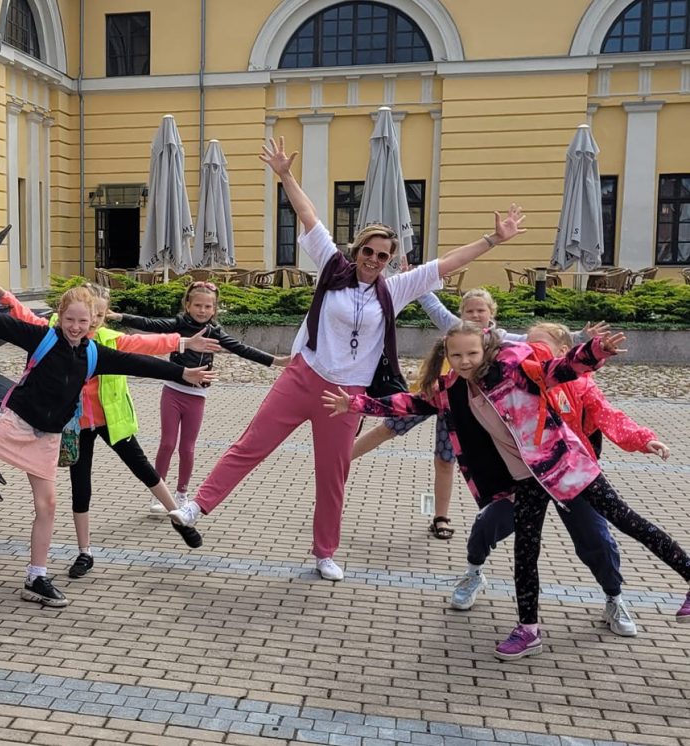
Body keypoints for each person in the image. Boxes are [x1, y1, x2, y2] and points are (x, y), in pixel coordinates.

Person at [170, 136, 524, 582]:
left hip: (345, 396)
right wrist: (285, 175)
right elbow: (309, 216)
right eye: (368, 251)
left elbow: (445, 264)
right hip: (304, 376)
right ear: (356, 251)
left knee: (332, 474)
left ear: (389, 260)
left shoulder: (395, 288)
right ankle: (196, 506)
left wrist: (493, 239)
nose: (374, 259)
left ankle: (325, 552)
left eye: (383, 255)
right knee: (251, 445)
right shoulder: (332, 267)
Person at [323, 322, 690, 660]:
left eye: (472, 353)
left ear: (485, 350)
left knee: (628, 521)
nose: (465, 361)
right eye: (456, 355)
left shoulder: (515, 371)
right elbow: (407, 403)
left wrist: (595, 351)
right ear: (446, 355)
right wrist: (355, 404)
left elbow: (562, 368)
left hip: (567, 466)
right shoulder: (450, 389)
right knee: (525, 552)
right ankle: (528, 630)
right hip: (527, 479)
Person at [0, 287, 217, 607]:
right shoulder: (42, 338)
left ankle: (36, 577)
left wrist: (183, 372)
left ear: (93, 321)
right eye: (70, 319)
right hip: (16, 421)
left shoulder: (94, 353)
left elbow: (138, 363)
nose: (75, 327)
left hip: (48, 437)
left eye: (83, 321)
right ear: (60, 316)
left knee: (47, 505)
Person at [0, 279, 223, 577]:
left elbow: (146, 345)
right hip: (77, 425)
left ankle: (178, 517)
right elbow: (26, 318)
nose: (94, 321)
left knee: (144, 469)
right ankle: (85, 552)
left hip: (111, 420)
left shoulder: (107, 339)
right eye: (92, 314)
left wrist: (184, 343)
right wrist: (3, 294)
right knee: (81, 487)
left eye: (101, 315)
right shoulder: (58, 333)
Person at [444, 322, 671, 637]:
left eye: (538, 346)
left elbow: (609, 415)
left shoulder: (580, 384)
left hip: (571, 476)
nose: (528, 351)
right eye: (527, 344)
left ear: (563, 351)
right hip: (525, 477)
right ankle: (473, 572)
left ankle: (614, 598)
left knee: (597, 539)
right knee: (488, 523)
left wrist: (643, 439)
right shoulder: (510, 379)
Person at [351, 288, 602, 540]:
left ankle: (440, 517)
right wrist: (418, 282)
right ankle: (341, 460)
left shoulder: (502, 339)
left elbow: (539, 340)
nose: (475, 314)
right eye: (469, 310)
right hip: (433, 394)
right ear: (461, 313)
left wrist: (580, 337)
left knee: (445, 460)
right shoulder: (455, 327)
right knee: (388, 428)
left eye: (480, 310)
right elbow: (433, 307)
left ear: (491, 312)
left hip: (460, 407)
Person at [110, 281, 284, 513]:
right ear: (188, 305)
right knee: (167, 443)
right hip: (172, 390)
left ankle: (182, 494)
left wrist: (276, 361)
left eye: (208, 306)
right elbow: (150, 324)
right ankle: (160, 494)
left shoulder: (215, 332)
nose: (202, 310)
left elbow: (242, 349)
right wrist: (120, 317)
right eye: (198, 305)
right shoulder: (179, 325)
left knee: (187, 448)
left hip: (197, 395)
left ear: (214, 309)